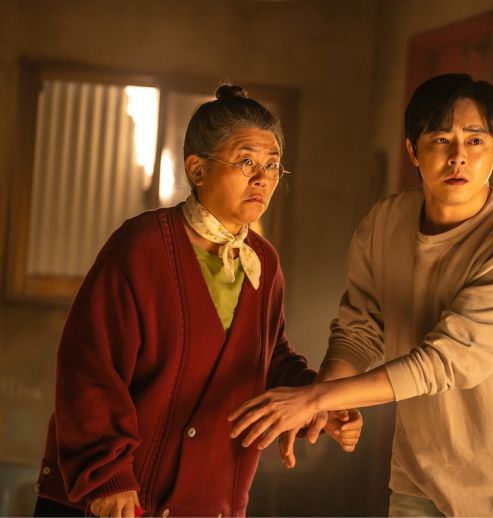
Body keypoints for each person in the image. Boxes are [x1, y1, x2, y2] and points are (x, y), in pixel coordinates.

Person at [228, 73, 493, 516]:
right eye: (440, 139)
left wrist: (315, 399)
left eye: (475, 141)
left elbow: (441, 361)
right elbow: (361, 328)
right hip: (418, 480)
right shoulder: (385, 223)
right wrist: (327, 401)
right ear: (412, 149)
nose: (458, 156)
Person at [33, 84, 362, 518]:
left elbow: (266, 360)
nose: (262, 179)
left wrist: (317, 403)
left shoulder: (262, 262)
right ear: (197, 169)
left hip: (208, 503)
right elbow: (90, 367)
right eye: (246, 162)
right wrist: (108, 476)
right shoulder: (143, 247)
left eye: (272, 165)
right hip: (118, 501)